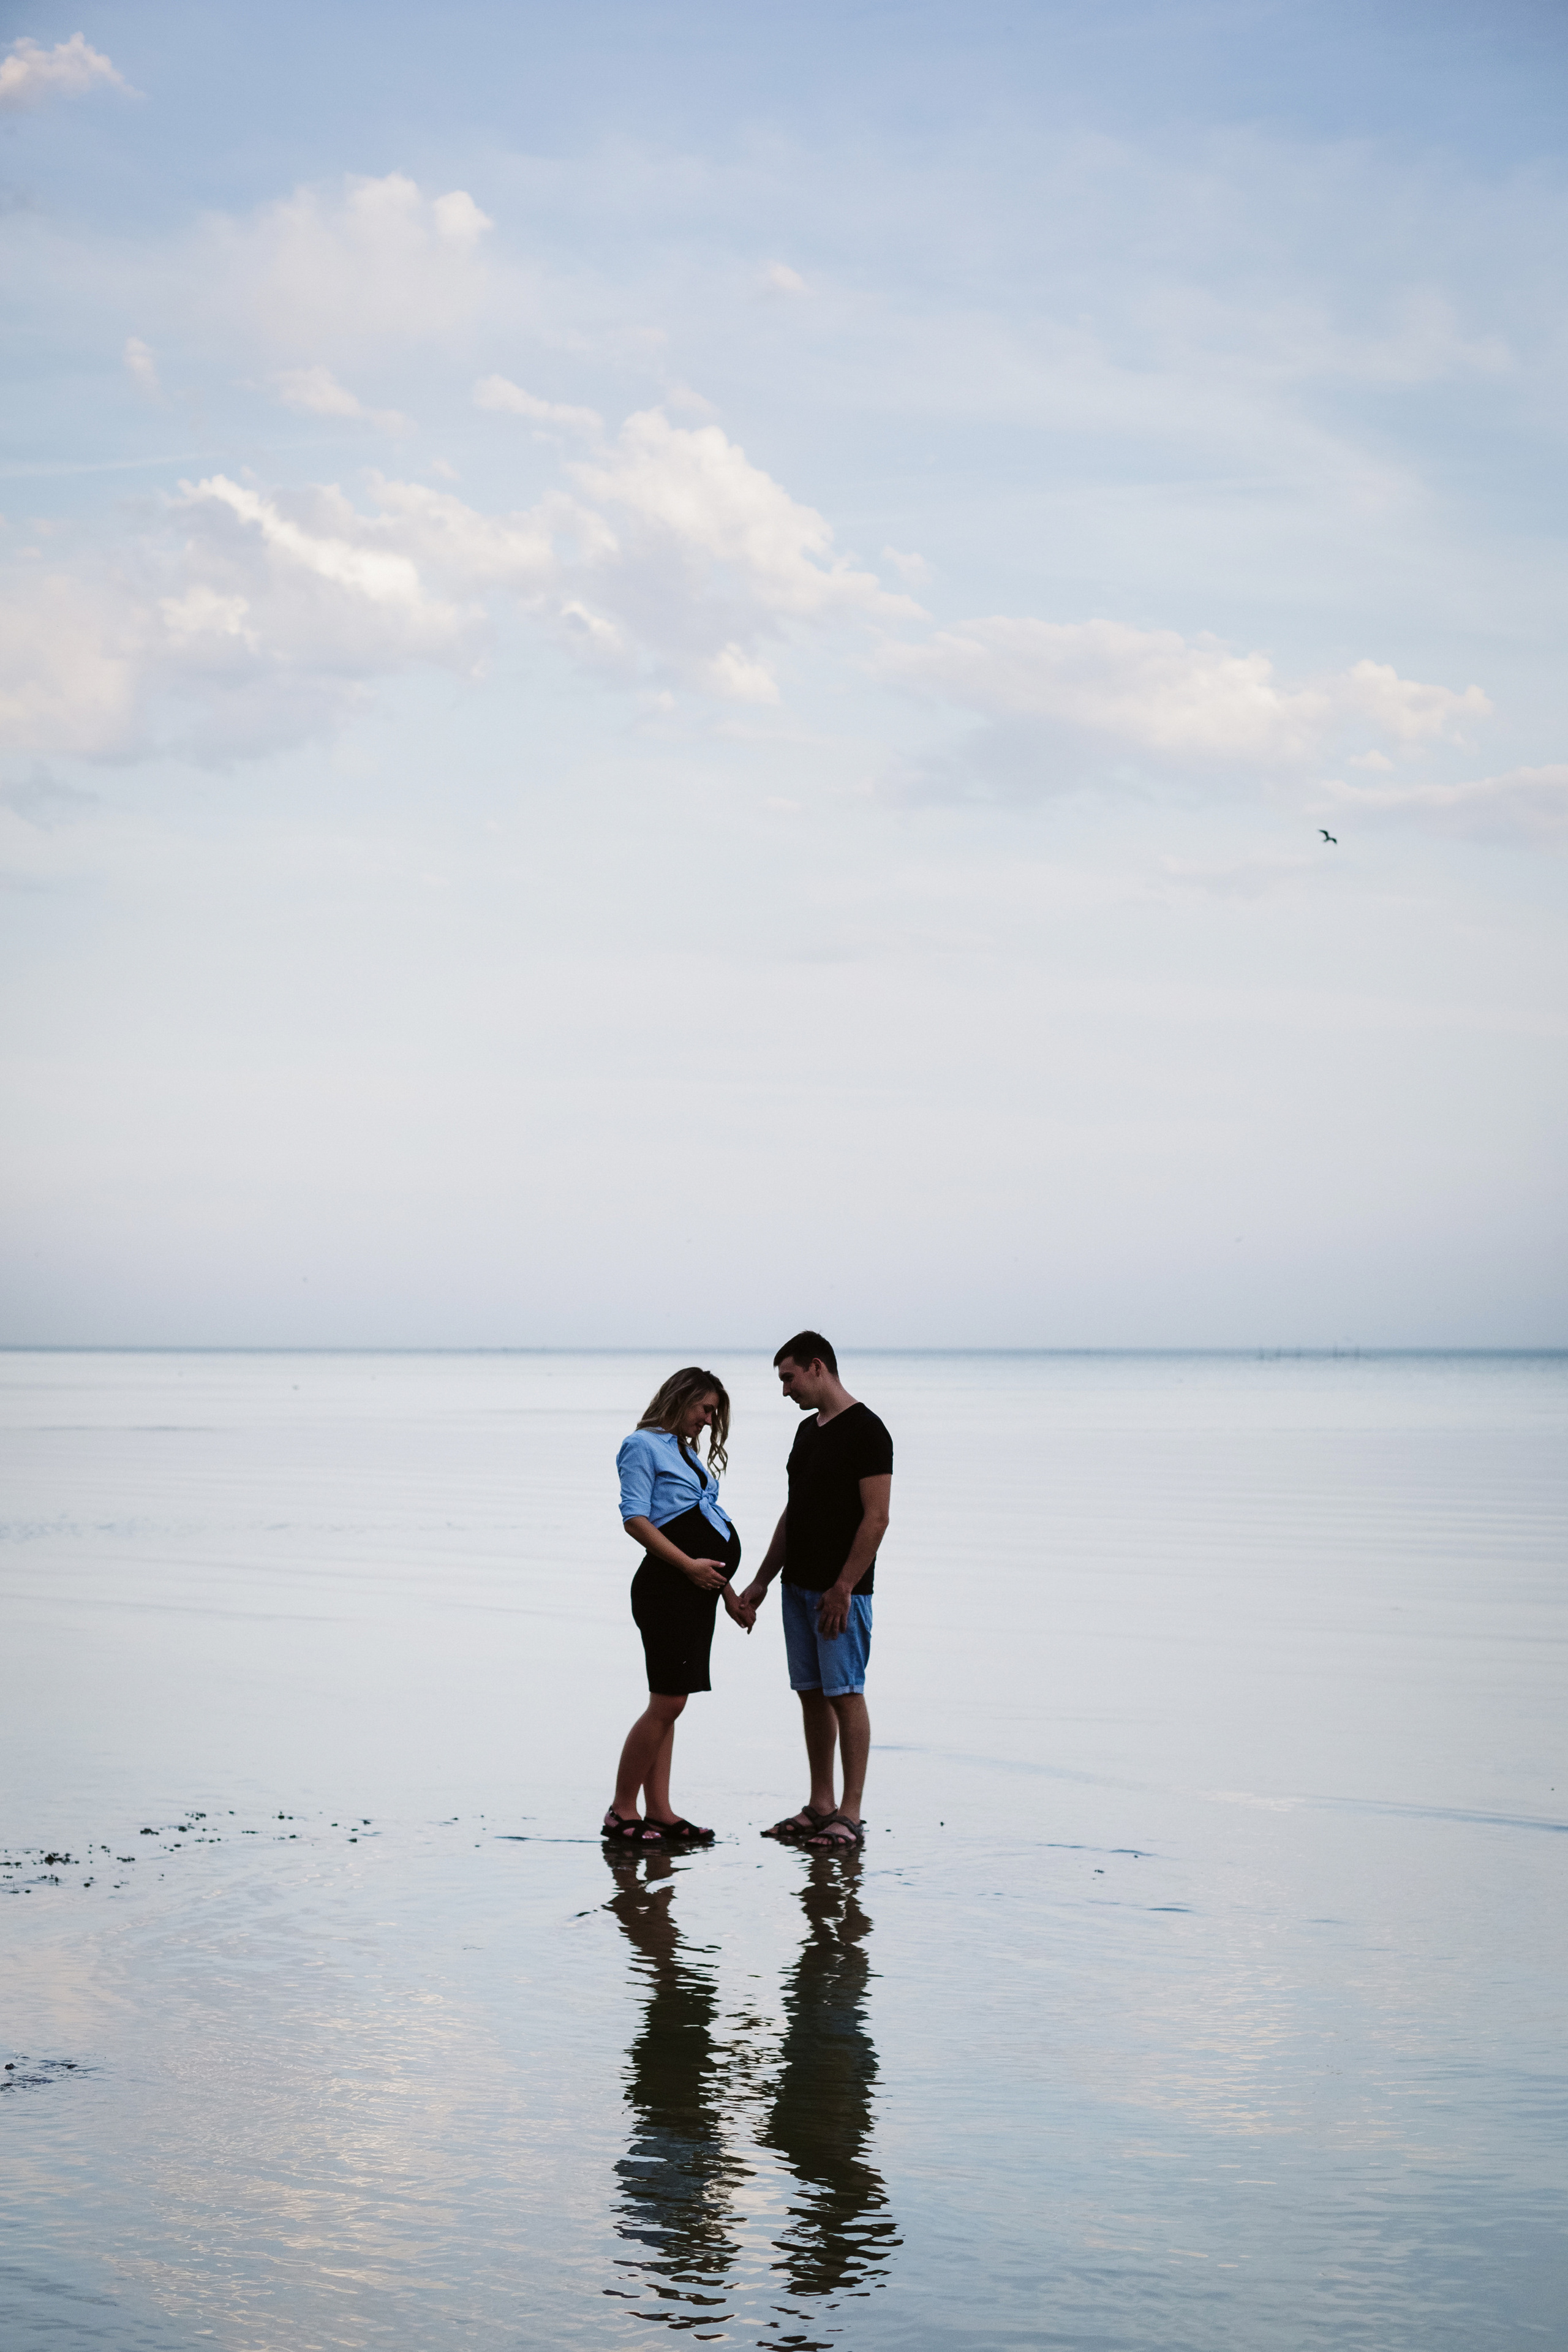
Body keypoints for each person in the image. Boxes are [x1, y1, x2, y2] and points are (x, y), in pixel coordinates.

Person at [737, 1333, 892, 1852]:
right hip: (796, 1587)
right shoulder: (807, 1432)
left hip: (841, 1593)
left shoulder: (869, 1431)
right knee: (810, 1693)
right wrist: (761, 1579)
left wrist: (844, 1586)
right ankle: (820, 1804)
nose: (785, 1391)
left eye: (789, 1378)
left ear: (817, 1367)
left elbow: (877, 1518)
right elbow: (794, 1512)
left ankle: (850, 1813)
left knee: (845, 1692)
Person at [605, 1367, 750, 1846]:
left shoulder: (684, 1452)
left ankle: (660, 1812)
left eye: (714, 1412)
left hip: (695, 1592)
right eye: (705, 1409)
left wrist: (726, 1592)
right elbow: (636, 1520)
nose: (709, 1421)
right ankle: (622, 1811)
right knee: (667, 1702)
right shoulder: (641, 1446)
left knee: (670, 1705)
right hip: (666, 1590)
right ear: (681, 1398)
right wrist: (689, 1566)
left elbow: (706, 1526)